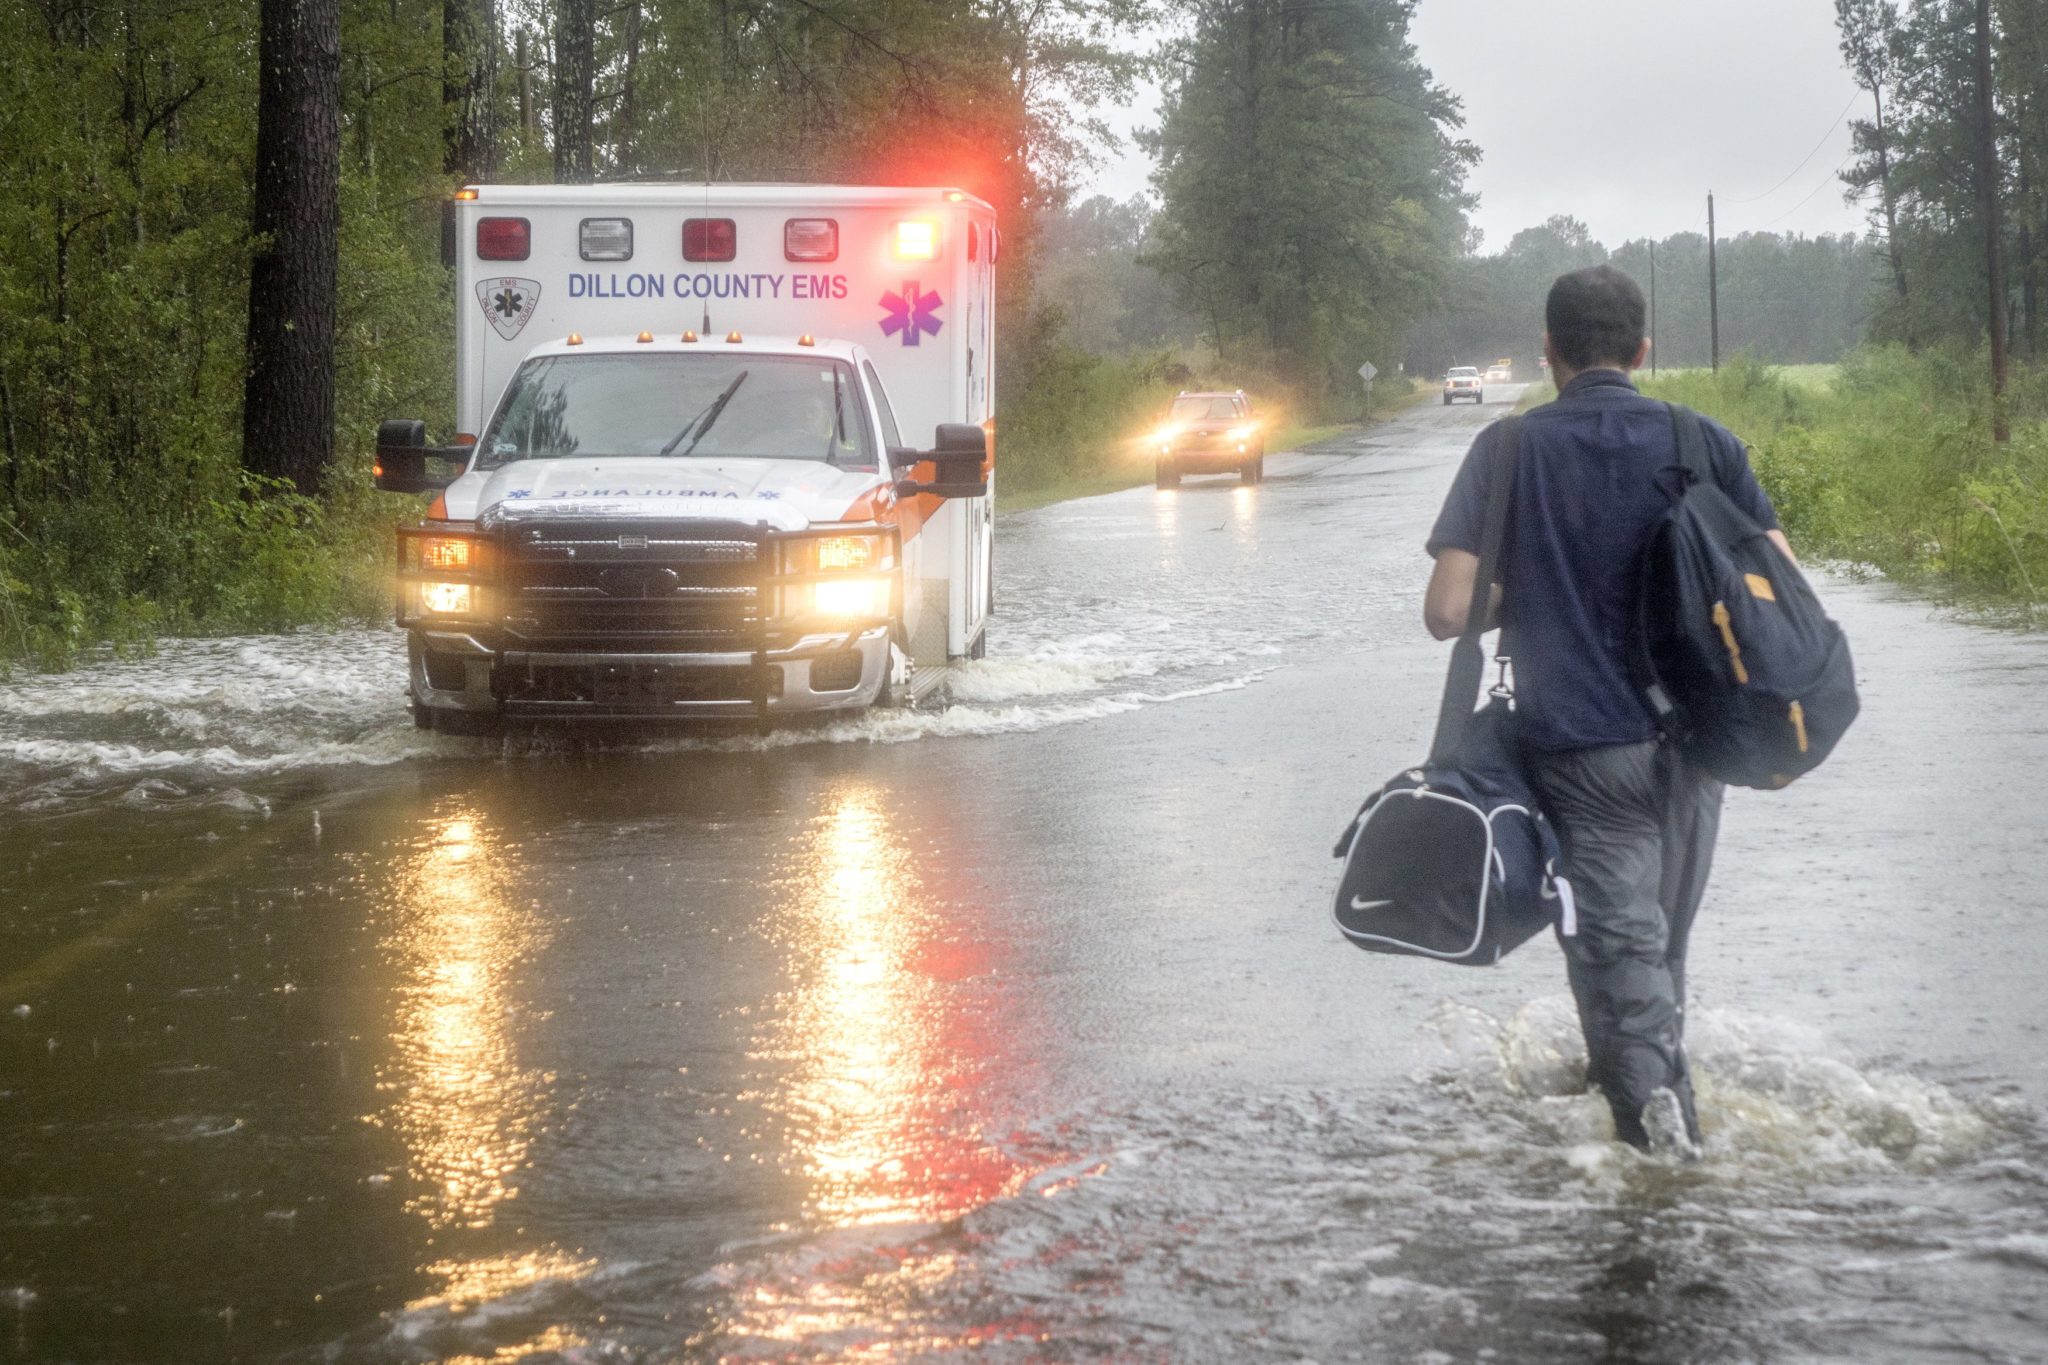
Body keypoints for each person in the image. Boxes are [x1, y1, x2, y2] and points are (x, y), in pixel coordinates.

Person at [1420, 265, 1797, 1157]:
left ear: (1548, 352)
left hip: (1583, 753)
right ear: (1641, 351)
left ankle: (1664, 1172)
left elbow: (1446, 610)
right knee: (1653, 952)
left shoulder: (1508, 450)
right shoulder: (1702, 440)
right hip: (1700, 746)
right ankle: (1636, 1111)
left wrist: (1536, 588)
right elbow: (1779, 583)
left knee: (1619, 955)